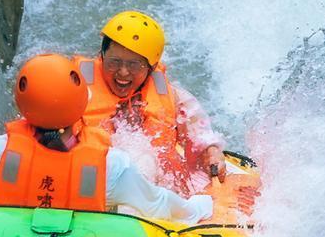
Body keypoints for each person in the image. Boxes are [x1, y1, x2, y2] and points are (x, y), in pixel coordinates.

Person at [0, 54, 213, 224]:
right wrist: (198, 208)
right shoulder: (112, 164)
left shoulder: (1, 150)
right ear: (81, 101)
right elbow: (157, 204)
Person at [75, 10, 226, 193]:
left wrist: (212, 152)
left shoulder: (174, 96)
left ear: (151, 67)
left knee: (146, 163)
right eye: (114, 62)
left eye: (134, 65)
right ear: (102, 55)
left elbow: (200, 136)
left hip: (157, 193)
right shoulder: (75, 86)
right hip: (89, 185)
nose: (123, 72)